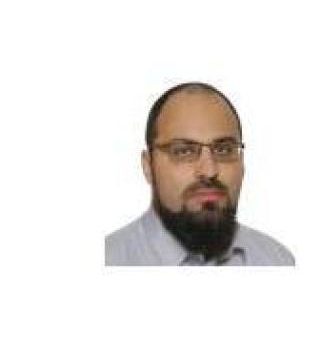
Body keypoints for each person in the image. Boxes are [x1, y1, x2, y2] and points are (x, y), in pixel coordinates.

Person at [105, 82, 295, 266]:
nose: (209, 171)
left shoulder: (278, 260)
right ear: (148, 166)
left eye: (223, 150)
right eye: (183, 151)